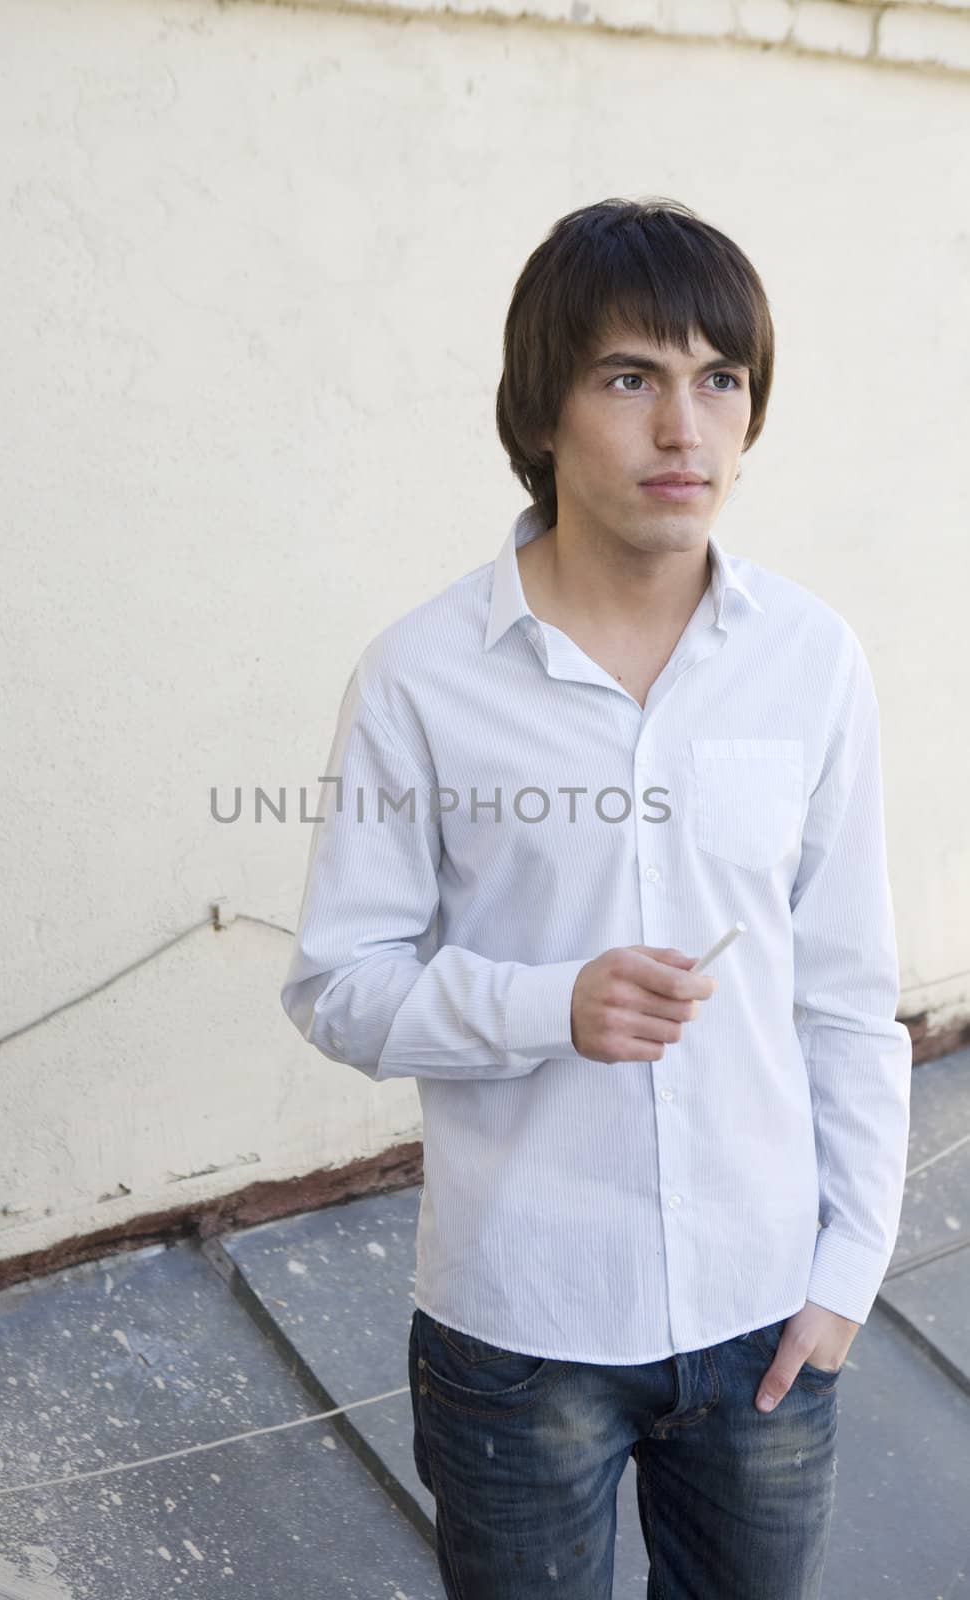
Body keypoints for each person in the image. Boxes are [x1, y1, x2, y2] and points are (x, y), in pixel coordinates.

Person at [279, 197, 912, 1599]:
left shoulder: (812, 660)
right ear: (543, 411)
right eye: (631, 378)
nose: (683, 429)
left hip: (767, 1318)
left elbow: (850, 990)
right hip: (521, 1327)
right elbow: (337, 981)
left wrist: (849, 1265)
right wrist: (546, 1004)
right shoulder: (421, 676)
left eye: (719, 381)